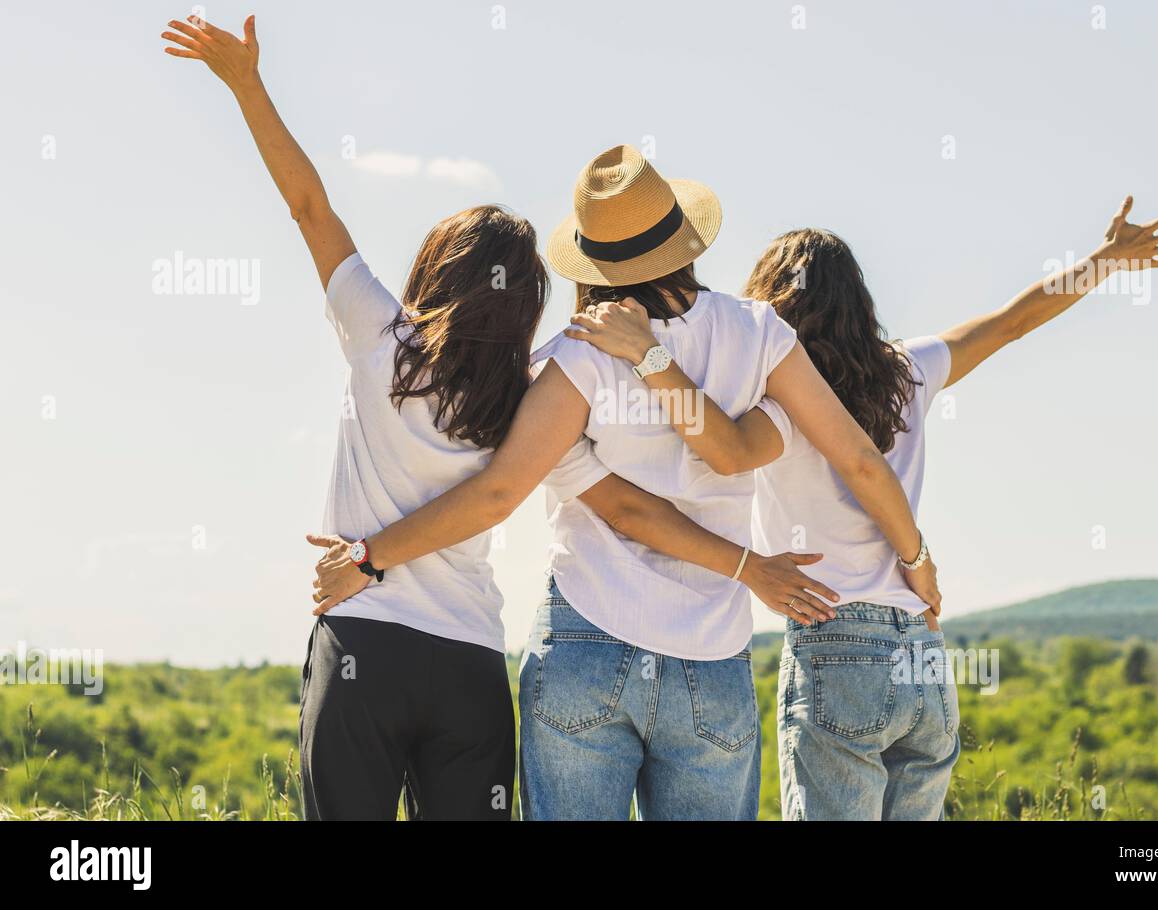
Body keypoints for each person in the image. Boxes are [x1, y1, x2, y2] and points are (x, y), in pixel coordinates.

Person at [161, 14, 837, 820]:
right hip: (470, 661)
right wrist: (753, 563)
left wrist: (247, 86)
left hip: (368, 640)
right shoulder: (529, 389)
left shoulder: (400, 342)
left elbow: (310, 206)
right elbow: (634, 495)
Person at [313, 144, 939, 820]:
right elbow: (860, 462)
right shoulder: (760, 334)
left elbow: (505, 495)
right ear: (682, 236)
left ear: (594, 262)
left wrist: (369, 556)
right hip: (711, 654)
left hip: (586, 639)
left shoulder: (569, 361)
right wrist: (916, 560)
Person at [563, 197, 1158, 819]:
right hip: (921, 646)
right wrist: (1105, 260)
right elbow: (1011, 322)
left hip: (835, 640)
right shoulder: (910, 370)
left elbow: (724, 449)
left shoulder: (782, 405)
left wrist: (650, 357)